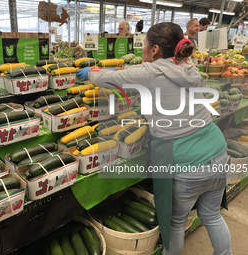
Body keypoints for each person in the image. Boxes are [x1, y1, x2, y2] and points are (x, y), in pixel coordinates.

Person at [77, 22, 232, 255]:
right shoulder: (189, 67)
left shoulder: (151, 72)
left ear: (155, 49)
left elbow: (113, 79)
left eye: (144, 45)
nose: (142, 49)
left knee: (176, 225)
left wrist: (89, 73)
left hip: (187, 164)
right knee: (211, 215)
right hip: (218, 153)